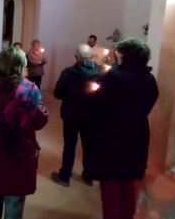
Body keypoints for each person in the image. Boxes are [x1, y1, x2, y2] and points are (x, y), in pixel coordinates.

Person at [0, 47, 48, 219]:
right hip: (18, 156)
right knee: (15, 203)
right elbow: (41, 121)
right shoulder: (30, 90)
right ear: (21, 67)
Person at [90, 38, 158, 219]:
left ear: (126, 55)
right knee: (130, 189)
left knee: (112, 190)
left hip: (113, 138)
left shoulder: (115, 76)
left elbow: (99, 107)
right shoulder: (150, 79)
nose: (116, 55)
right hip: (137, 135)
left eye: (119, 53)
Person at [51, 44, 101, 187]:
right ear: (91, 57)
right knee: (89, 145)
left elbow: (58, 93)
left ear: (75, 57)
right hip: (92, 116)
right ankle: (88, 176)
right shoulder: (101, 73)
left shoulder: (68, 73)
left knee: (69, 146)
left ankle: (65, 176)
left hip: (71, 115)